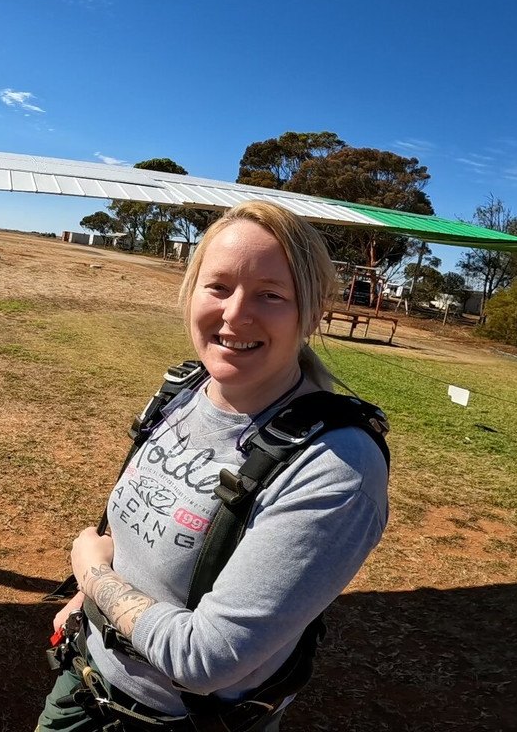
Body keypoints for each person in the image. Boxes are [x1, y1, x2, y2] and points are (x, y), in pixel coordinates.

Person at [36, 200, 390, 731]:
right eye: (219, 286)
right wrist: (87, 604)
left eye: (271, 295)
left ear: (312, 313)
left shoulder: (336, 467)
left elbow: (206, 659)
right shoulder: (182, 392)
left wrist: (91, 571)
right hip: (86, 680)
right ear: (191, 291)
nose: (235, 315)